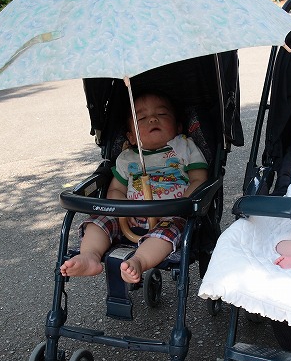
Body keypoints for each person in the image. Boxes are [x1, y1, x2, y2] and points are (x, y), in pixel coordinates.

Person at [60, 93, 208, 283]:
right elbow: (116, 190)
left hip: (171, 215)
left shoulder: (185, 147)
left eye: (162, 114)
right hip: (129, 217)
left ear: (179, 126)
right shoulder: (127, 157)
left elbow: (198, 179)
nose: (153, 119)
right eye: (142, 118)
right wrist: (122, 210)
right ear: (130, 136)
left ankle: (139, 260)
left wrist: (182, 205)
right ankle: (90, 256)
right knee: (99, 220)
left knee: (166, 233)